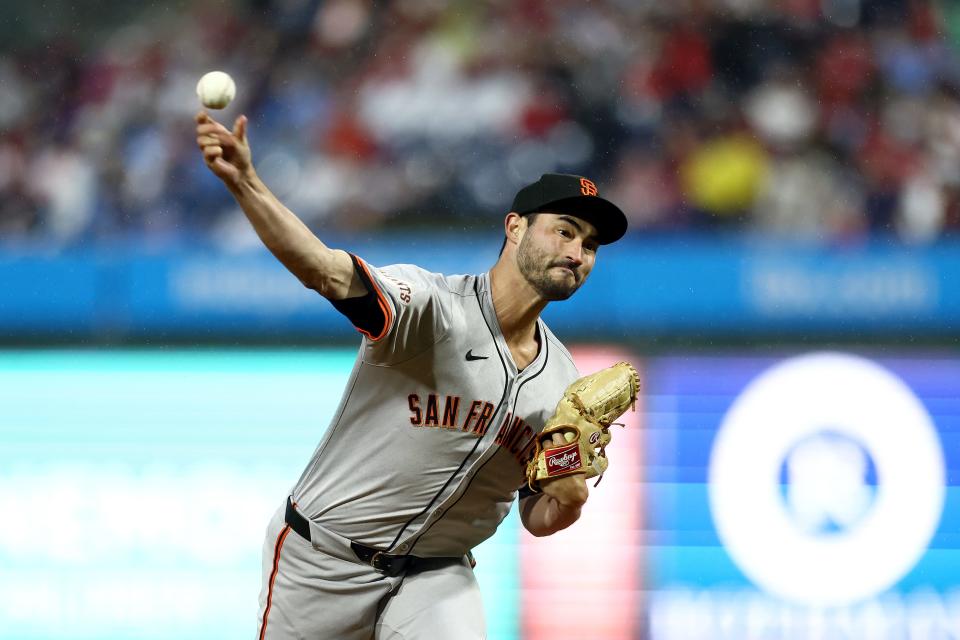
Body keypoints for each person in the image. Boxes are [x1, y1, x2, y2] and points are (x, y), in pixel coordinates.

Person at [195, 111, 629, 640]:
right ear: (515, 227)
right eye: (565, 231)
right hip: (323, 561)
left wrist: (569, 499)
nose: (576, 253)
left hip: (436, 576)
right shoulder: (429, 307)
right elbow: (324, 270)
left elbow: (535, 517)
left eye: (589, 246)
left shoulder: (562, 380)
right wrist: (246, 182)